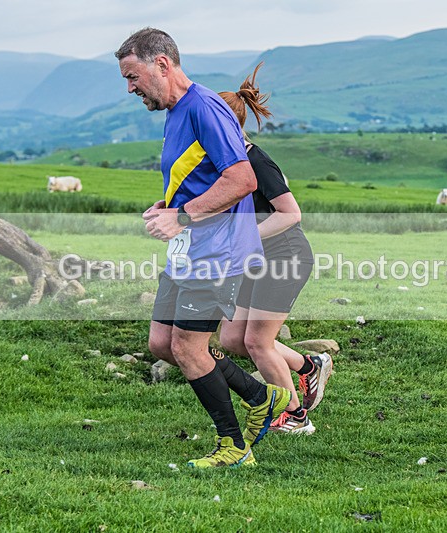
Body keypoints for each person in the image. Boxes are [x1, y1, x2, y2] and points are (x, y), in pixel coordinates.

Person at [115, 28, 291, 468]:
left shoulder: (205, 108)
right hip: (187, 250)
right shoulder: (174, 112)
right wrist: (169, 205)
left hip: (216, 252)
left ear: (162, 64)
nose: (130, 87)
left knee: (190, 349)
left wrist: (183, 216)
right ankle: (260, 395)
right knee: (161, 344)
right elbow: (202, 177)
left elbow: (242, 180)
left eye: (133, 76)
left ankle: (233, 446)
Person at [216, 63, 332, 435]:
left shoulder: (256, 160)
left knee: (257, 341)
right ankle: (308, 366)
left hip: (285, 256)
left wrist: (244, 238)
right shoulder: (226, 161)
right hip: (255, 260)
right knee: (233, 339)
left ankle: (295, 416)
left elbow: (291, 214)